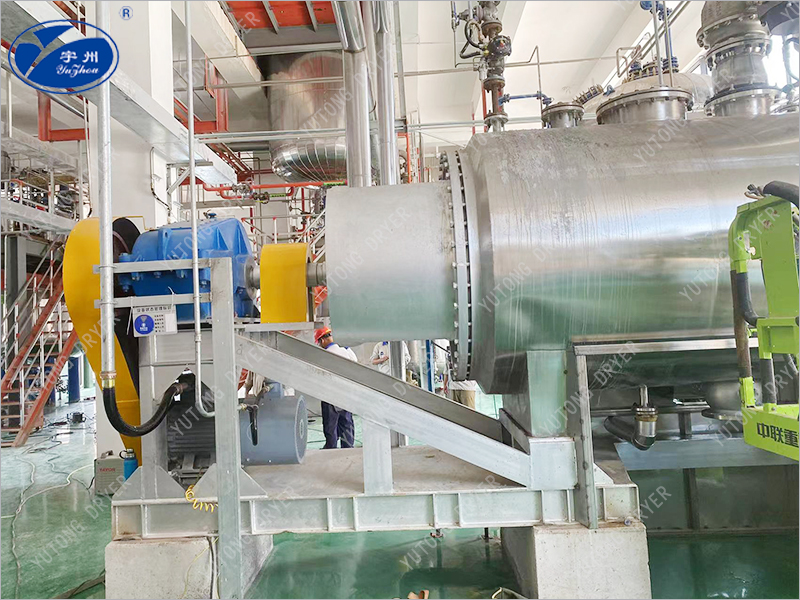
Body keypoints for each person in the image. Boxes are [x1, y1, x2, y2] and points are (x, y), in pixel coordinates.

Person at [314, 327, 357, 449]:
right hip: (346, 392)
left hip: (330, 393)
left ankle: (331, 447)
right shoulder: (346, 350)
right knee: (346, 421)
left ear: (322, 340)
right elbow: (355, 362)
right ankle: (348, 446)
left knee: (330, 424)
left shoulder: (324, 355)